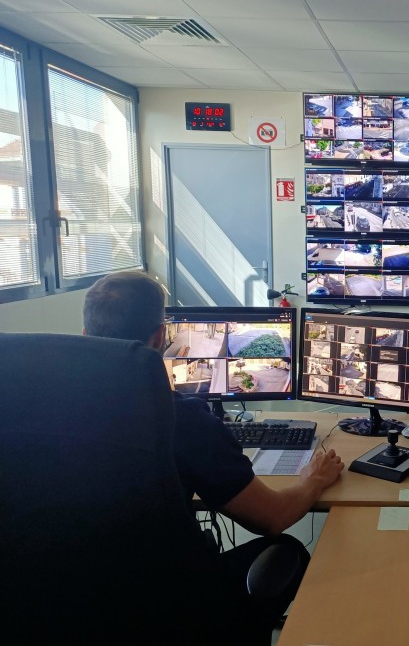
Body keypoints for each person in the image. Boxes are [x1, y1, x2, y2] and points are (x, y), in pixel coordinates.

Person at [82, 270, 344, 642]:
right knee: (287, 550)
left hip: (68, 599)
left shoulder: (40, 414)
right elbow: (272, 518)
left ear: (84, 336)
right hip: (171, 603)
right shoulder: (179, 418)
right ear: (160, 337)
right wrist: (313, 479)